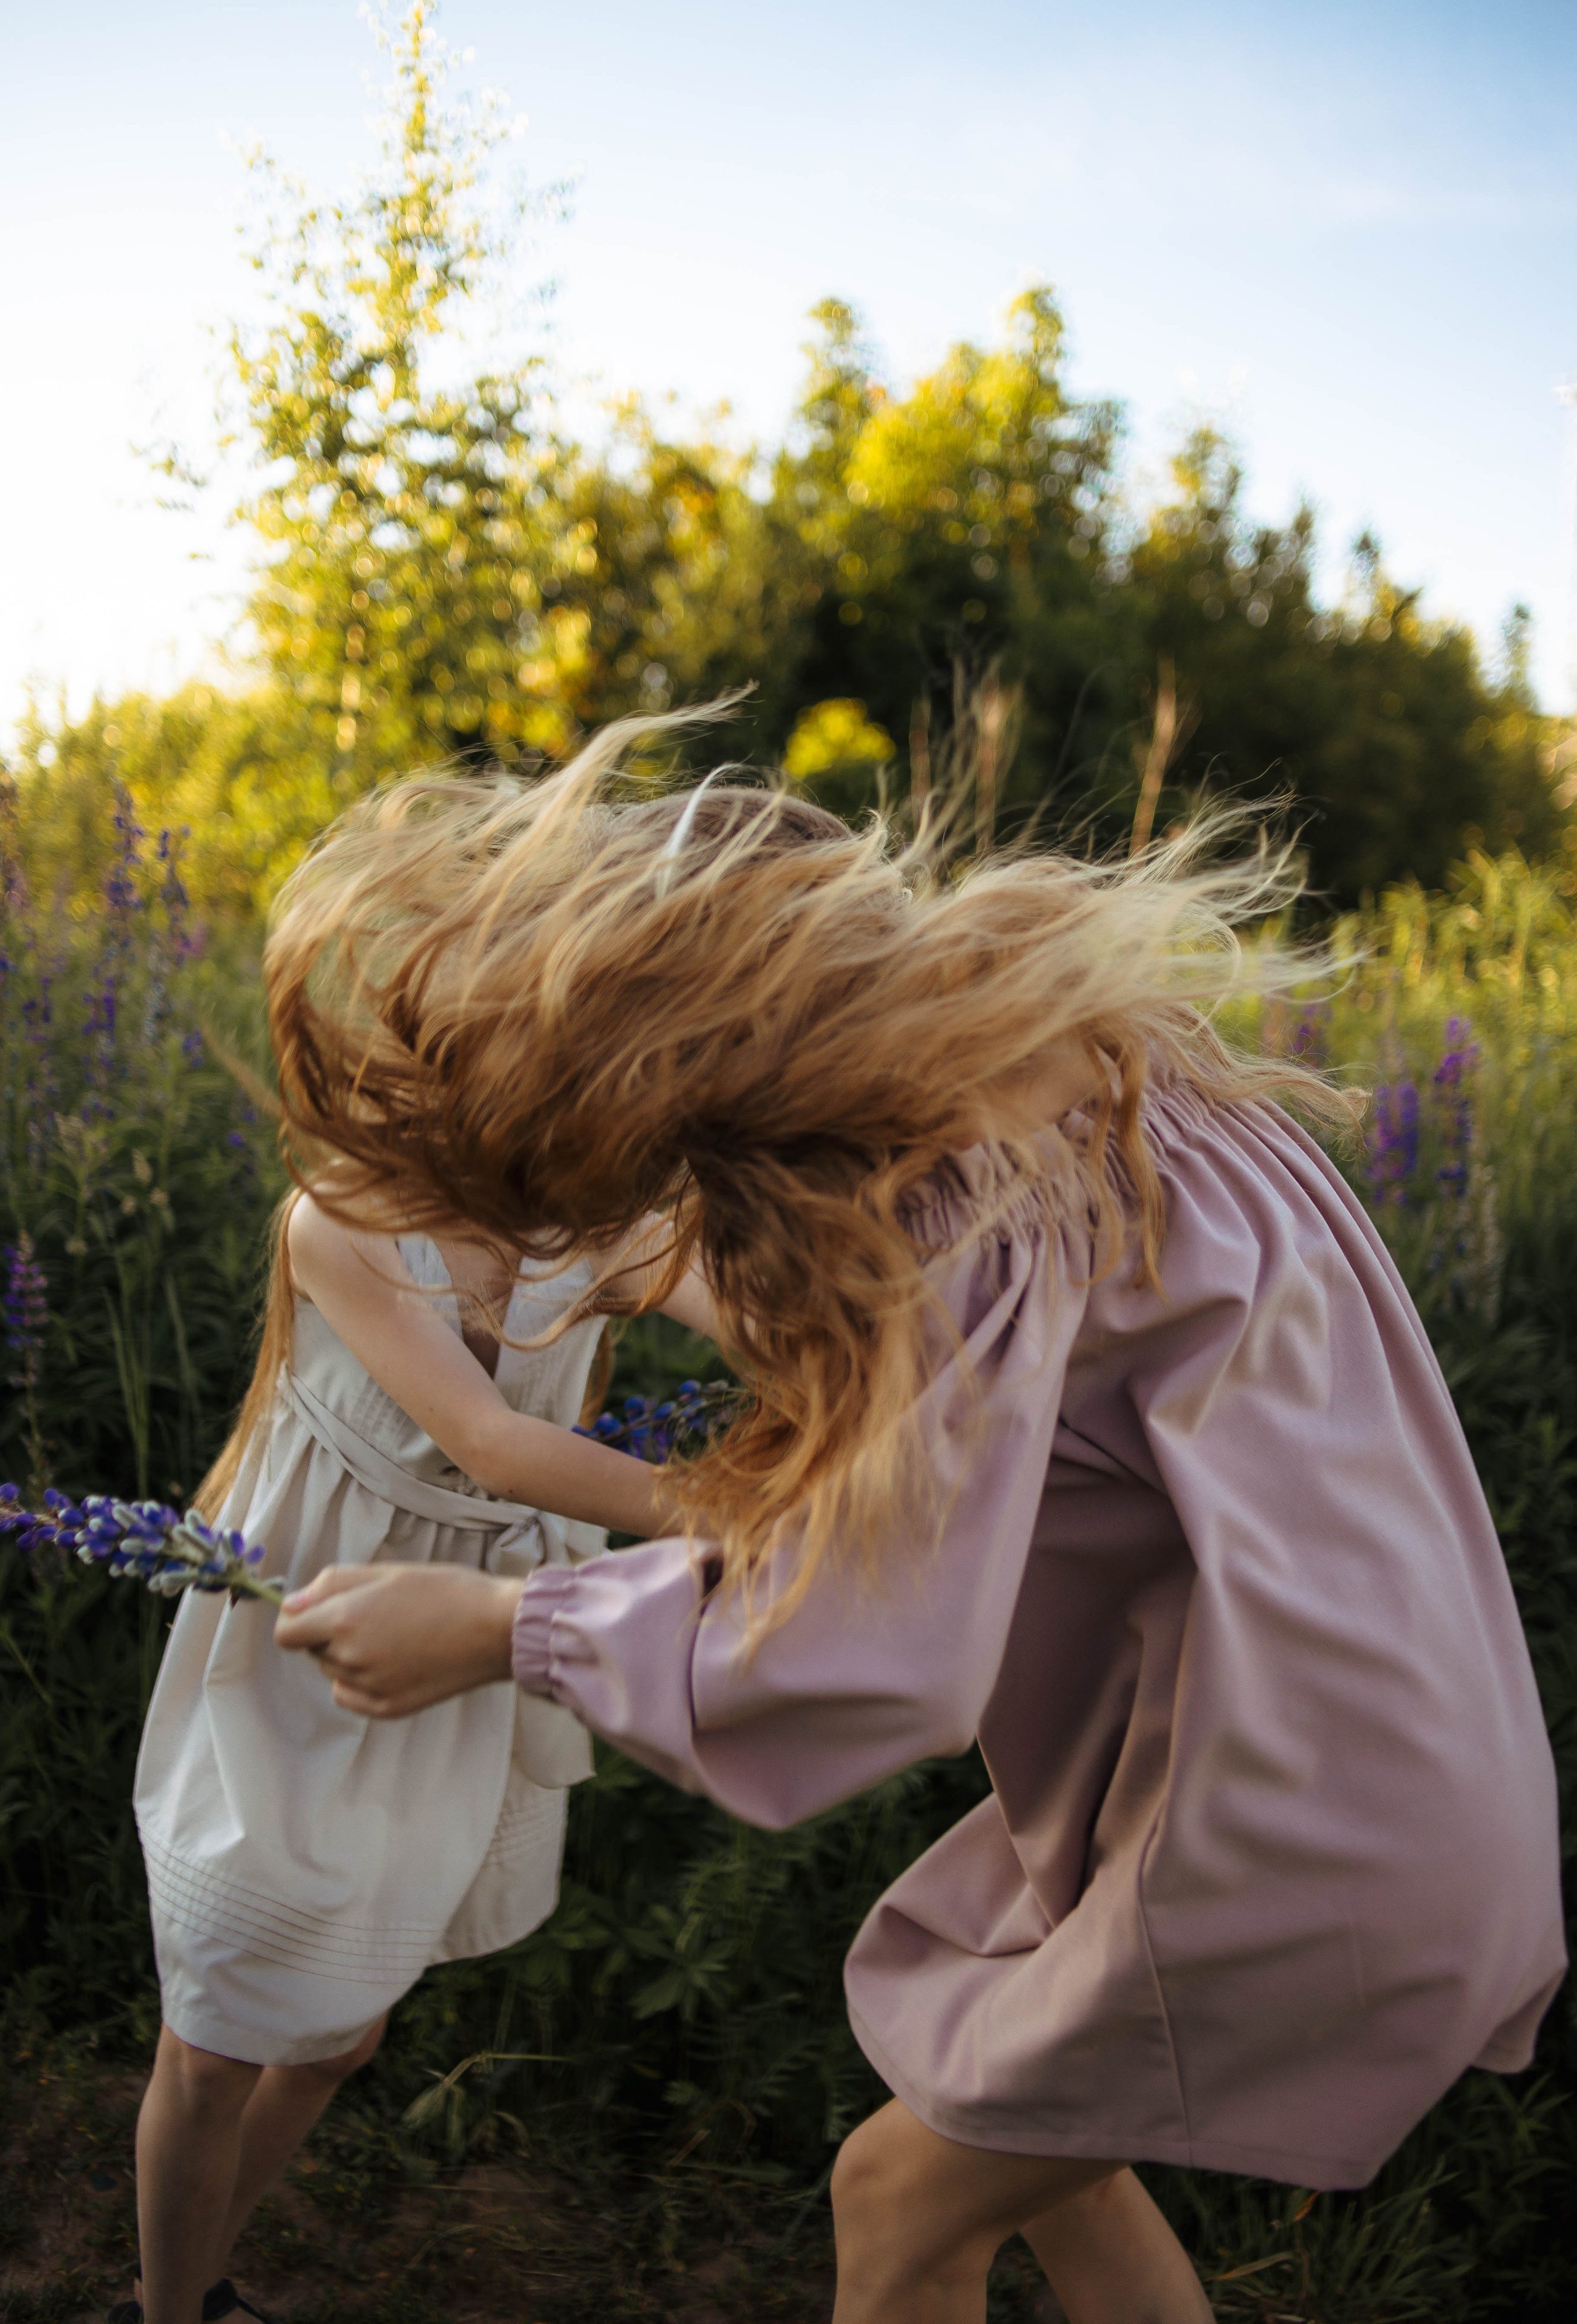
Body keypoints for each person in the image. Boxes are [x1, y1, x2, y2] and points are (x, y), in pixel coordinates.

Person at [267, 729, 1565, 2324]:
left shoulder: (970, 1215)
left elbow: (873, 1645)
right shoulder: (1125, 1081)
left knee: (895, 2199)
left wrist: (496, 1629)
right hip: (1390, 1752)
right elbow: (977, 1421)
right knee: (1026, 2132)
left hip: (1285, 1818)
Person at [121, 1135, 716, 2323]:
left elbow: (768, 1313)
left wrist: (876, 1362)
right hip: (308, 1617)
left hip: (463, 1635)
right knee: (218, 2034)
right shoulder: (341, 1217)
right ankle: (165, 2309)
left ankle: (192, 2286)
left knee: (341, 2036)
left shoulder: (598, 1214)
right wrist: (761, 1517)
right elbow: (495, 1445)